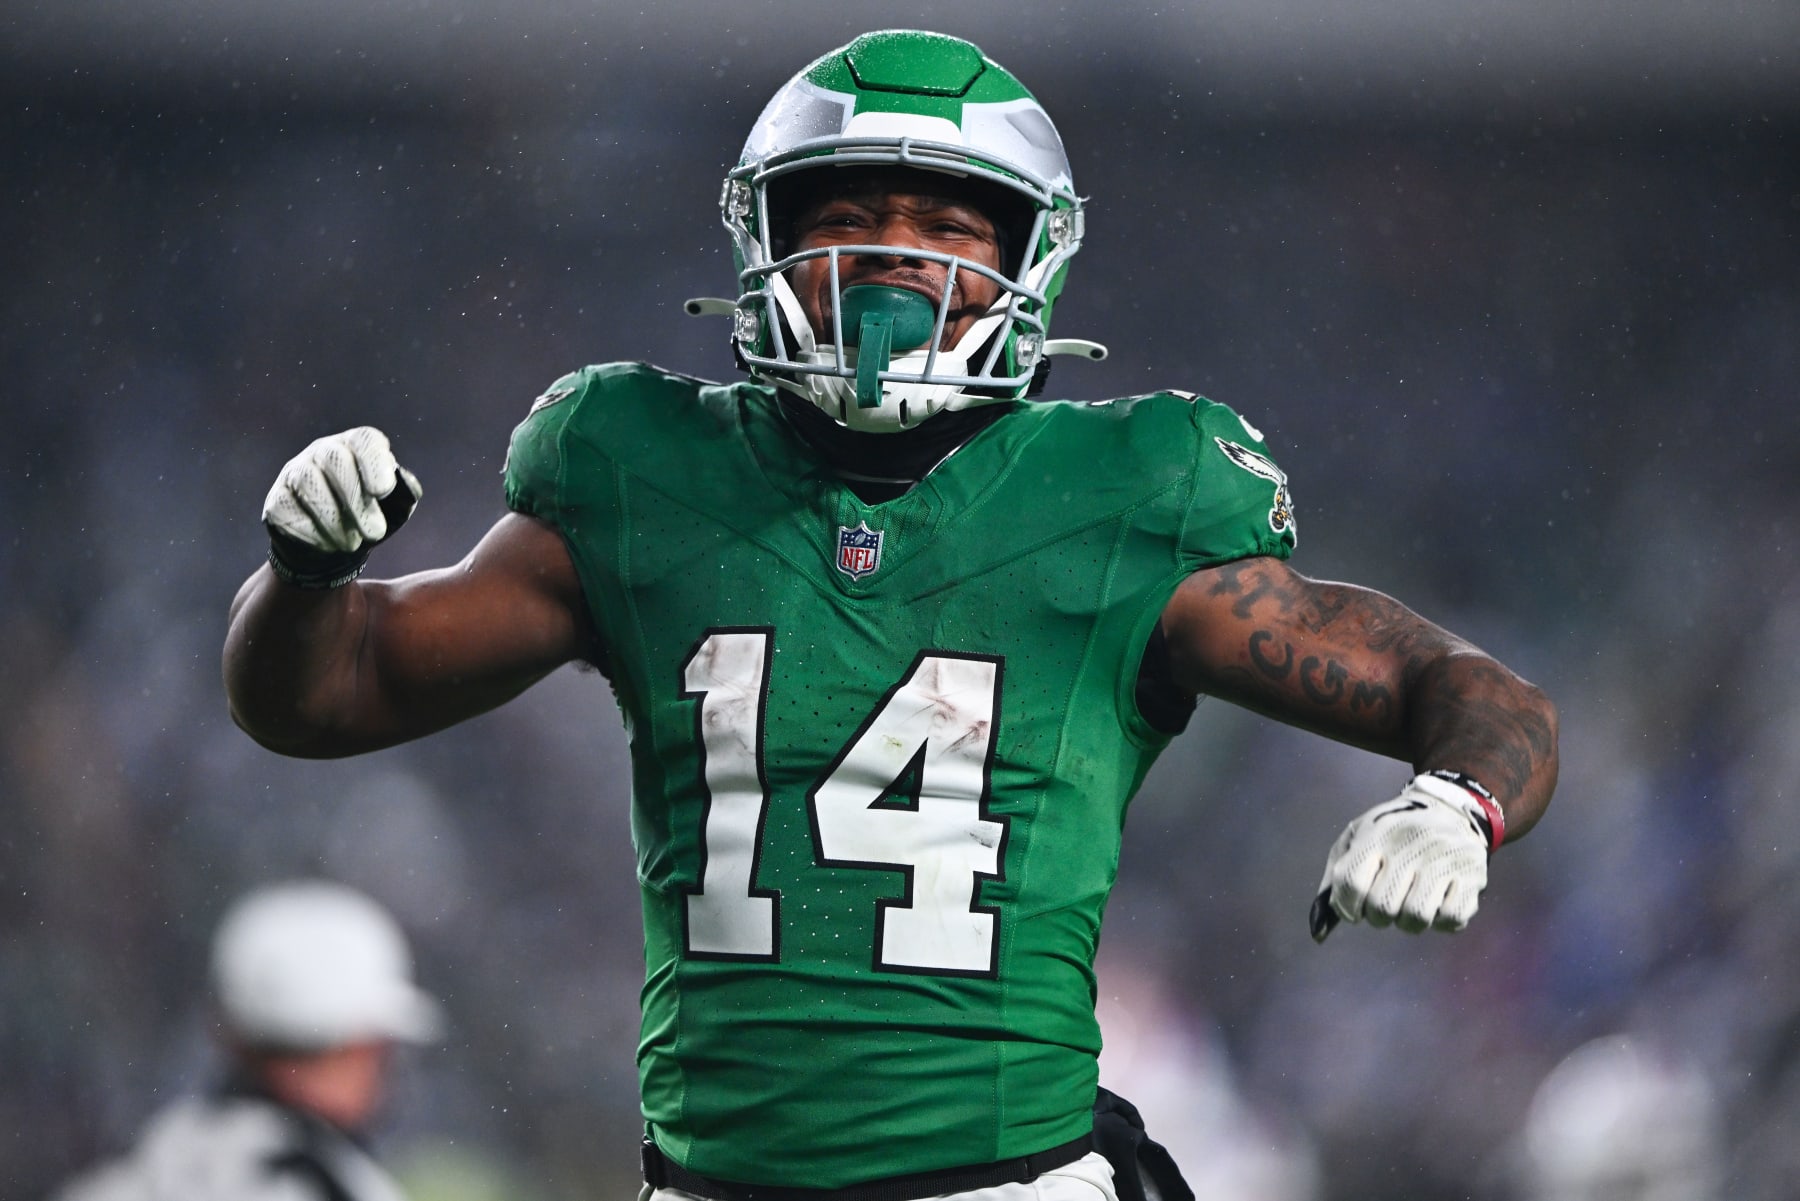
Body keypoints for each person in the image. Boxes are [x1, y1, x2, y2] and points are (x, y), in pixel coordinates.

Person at [222, 28, 1559, 1201]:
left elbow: (1468, 688)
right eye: (846, 212)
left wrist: (1456, 800)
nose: (892, 259)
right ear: (765, 239)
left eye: (949, 224)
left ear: (1031, 257)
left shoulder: (1131, 492)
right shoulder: (635, 468)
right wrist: (300, 575)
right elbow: (328, 694)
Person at [51, 880, 442, 1201]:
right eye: (378, 1046)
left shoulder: (145, 1169)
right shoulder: (316, 1184)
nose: (384, 1066)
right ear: (349, 1046)